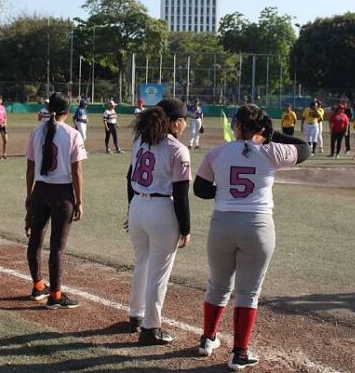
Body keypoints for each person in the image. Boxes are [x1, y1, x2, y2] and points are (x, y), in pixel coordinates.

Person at [192, 104, 310, 369]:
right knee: (248, 292)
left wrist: (226, 192)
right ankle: (239, 353)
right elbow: (304, 148)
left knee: (218, 285)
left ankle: (207, 340)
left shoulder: (217, 151)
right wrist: (272, 135)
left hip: (222, 223)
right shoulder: (271, 151)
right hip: (257, 226)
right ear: (262, 128)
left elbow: (199, 189)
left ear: (236, 125)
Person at [127, 98, 191, 346]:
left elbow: (128, 178)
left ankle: (135, 316)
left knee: (142, 264)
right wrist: (185, 228)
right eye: (184, 120)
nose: (185, 124)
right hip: (162, 209)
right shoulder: (177, 149)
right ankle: (151, 328)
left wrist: (131, 210)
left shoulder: (140, 141)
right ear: (175, 123)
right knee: (158, 273)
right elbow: (181, 194)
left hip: (138, 206)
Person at [24, 92, 86, 309]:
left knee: (35, 240)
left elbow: (30, 167)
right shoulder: (72, 134)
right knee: (57, 247)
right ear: (67, 112)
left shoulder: (36, 131)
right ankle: (56, 295)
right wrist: (79, 200)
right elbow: (77, 171)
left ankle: (38, 285)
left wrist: (29, 195)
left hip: (40, 190)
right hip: (62, 193)